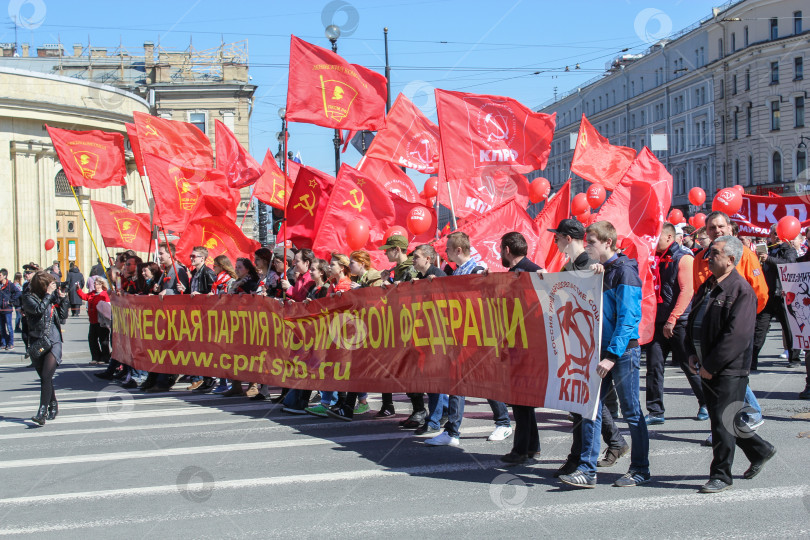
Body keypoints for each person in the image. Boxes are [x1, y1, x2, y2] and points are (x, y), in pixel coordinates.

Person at [559, 220, 650, 488]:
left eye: (592, 243)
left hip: (622, 353)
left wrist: (611, 355)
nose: (587, 247)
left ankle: (641, 469)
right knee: (591, 409)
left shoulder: (625, 272)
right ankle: (587, 470)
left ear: (607, 243)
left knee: (632, 412)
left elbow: (629, 318)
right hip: (602, 351)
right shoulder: (604, 270)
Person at [686, 235, 776, 493]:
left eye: (714, 253)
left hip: (728, 369)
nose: (708, 257)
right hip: (706, 364)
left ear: (731, 260)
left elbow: (736, 336)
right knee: (726, 417)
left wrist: (711, 365)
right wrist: (693, 352)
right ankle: (761, 450)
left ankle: (721, 475)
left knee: (722, 422)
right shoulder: (708, 285)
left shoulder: (741, 290)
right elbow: (696, 321)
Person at [546, 219, 630, 476]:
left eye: (557, 237)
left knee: (586, 402)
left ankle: (589, 456)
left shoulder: (587, 264)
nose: (555, 241)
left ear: (567, 239)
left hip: (587, 343)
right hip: (572, 339)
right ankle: (609, 445)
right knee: (580, 401)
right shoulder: (570, 264)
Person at [425, 232, 516, 448]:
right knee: (459, 381)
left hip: (478, 337)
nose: (445, 253)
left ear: (458, 250)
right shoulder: (457, 272)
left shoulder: (478, 270)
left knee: (482, 382)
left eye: (447, 249)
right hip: (461, 336)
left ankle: (502, 422)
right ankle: (453, 431)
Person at [644, 223, 707, 425]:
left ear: (669, 237)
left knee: (689, 366)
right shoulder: (654, 259)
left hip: (679, 322)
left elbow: (687, 291)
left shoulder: (684, 258)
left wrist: (673, 318)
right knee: (654, 367)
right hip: (658, 321)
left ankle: (705, 402)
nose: (654, 240)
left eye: (657, 236)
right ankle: (655, 410)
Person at [22, 271, 69, 425]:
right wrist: (49, 295)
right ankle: (53, 404)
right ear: (42, 286)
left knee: (47, 376)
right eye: (49, 284)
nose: (52, 287)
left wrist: (63, 300)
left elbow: (62, 317)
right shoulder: (28, 297)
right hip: (38, 342)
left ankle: (42, 412)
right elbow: (38, 310)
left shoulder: (51, 297)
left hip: (54, 340)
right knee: (44, 377)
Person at [753, 224, 799, 370]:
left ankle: (794, 358)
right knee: (760, 328)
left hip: (783, 295)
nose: (776, 236)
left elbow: (789, 264)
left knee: (789, 327)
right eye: (774, 233)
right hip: (768, 295)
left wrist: (768, 259)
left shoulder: (789, 250)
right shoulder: (767, 250)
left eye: (778, 233)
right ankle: (752, 360)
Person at [76, 277, 111, 366]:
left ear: (101, 285)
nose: (95, 285)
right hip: (93, 320)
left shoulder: (105, 294)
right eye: (95, 283)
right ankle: (95, 357)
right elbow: (84, 296)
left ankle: (105, 357)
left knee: (103, 340)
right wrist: (78, 290)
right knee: (92, 339)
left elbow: (107, 306)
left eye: (97, 283)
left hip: (101, 321)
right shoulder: (92, 294)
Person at [0, 268, 21, 350]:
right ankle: (4, 342)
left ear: (5, 276)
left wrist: (11, 300)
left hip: (7, 309)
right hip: (0, 309)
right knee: (1, 328)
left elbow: (18, 292)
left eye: (0, 275)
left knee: (9, 327)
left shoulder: (10, 285)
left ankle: (11, 343)